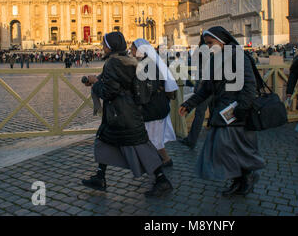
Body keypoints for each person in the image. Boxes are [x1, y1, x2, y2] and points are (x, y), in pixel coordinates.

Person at [81, 32, 173, 197]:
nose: (102, 48)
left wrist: (95, 85)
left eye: (104, 45)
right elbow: (119, 83)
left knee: (140, 146)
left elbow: (109, 91)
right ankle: (100, 176)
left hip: (123, 115)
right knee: (104, 141)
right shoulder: (129, 60)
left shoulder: (113, 63)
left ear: (111, 46)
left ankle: (162, 180)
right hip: (121, 113)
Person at [179, 26, 264, 196]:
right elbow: (207, 88)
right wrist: (190, 104)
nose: (209, 47)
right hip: (223, 111)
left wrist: (242, 107)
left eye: (211, 43)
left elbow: (249, 85)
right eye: (207, 44)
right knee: (228, 148)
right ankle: (239, 180)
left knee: (229, 147)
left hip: (237, 110)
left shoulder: (238, 56)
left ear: (222, 40)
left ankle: (247, 176)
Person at [131, 38, 178, 167]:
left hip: (153, 108)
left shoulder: (148, 64)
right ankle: (164, 160)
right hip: (155, 107)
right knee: (153, 138)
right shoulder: (148, 62)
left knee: (152, 139)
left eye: (133, 48)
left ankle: (158, 165)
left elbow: (147, 89)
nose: (131, 50)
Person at [180, 35, 212, 150]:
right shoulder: (213, 50)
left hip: (204, 84)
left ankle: (192, 140)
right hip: (215, 84)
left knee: (200, 113)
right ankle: (214, 136)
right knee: (214, 110)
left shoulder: (202, 49)